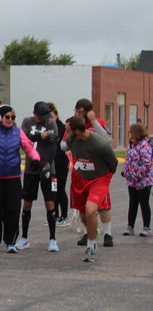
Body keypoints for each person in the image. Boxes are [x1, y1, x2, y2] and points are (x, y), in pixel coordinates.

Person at [0, 105, 40, 253]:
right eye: (7, 117)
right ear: (0, 117)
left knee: (13, 209)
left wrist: (36, 158)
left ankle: (10, 241)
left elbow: (28, 147)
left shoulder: (18, 132)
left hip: (13, 176)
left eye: (13, 117)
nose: (10, 120)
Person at [61, 115, 118, 263]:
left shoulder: (100, 144)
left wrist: (104, 177)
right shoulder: (71, 140)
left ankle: (90, 247)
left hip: (99, 179)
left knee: (91, 210)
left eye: (68, 130)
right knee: (84, 215)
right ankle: (94, 232)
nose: (66, 133)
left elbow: (113, 162)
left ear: (78, 131)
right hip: (81, 178)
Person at [72, 98, 115, 247]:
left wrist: (94, 121)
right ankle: (87, 232)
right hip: (80, 170)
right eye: (76, 111)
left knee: (102, 204)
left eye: (81, 112)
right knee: (83, 206)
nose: (78, 114)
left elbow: (107, 139)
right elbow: (65, 143)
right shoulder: (74, 125)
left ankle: (108, 233)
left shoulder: (98, 124)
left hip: (98, 172)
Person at [20, 101, 59, 252]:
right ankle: (24, 237)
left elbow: (53, 145)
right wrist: (40, 136)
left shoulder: (51, 124)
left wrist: (47, 165)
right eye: (41, 116)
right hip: (31, 168)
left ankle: (53, 239)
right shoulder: (27, 121)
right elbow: (24, 138)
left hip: (48, 168)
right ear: (35, 113)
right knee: (27, 202)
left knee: (50, 203)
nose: (44, 119)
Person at [121, 123, 152, 237]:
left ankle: (147, 227)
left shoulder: (145, 146)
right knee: (132, 203)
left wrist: (137, 175)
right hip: (132, 181)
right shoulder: (130, 145)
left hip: (144, 181)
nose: (129, 134)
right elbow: (127, 160)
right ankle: (130, 226)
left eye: (131, 132)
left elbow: (147, 163)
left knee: (144, 203)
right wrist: (125, 171)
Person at [49, 102, 70, 227]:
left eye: (52, 116)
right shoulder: (47, 128)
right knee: (53, 189)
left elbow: (62, 146)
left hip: (61, 163)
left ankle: (64, 215)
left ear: (56, 116)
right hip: (51, 164)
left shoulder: (62, 128)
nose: (50, 119)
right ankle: (55, 215)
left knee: (60, 189)